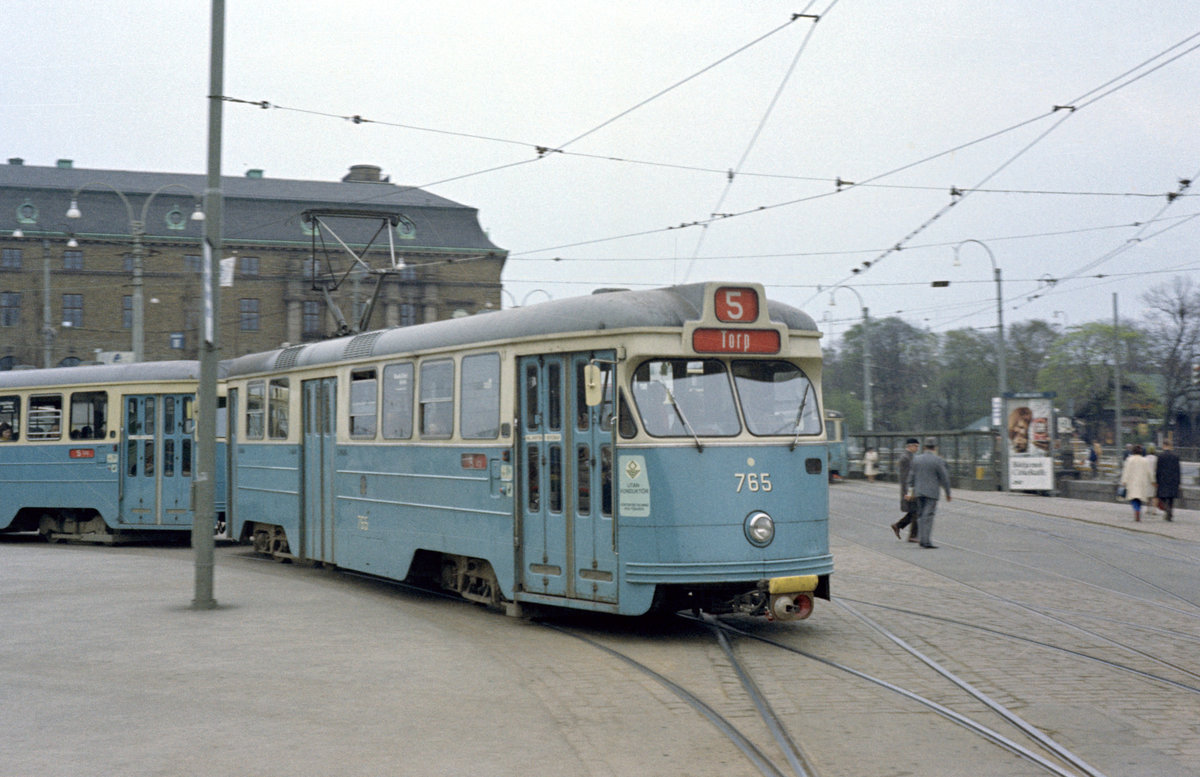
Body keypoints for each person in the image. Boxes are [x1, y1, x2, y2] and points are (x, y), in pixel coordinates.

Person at [905, 437, 952, 549]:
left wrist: (909, 491)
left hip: (919, 492)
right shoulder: (938, 460)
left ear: (924, 447)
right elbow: (944, 477)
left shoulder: (916, 459)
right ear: (935, 448)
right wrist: (948, 492)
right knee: (928, 516)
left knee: (921, 515)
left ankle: (922, 538)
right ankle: (926, 541)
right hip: (932, 492)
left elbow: (911, 477)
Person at [891, 438, 921, 541]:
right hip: (909, 489)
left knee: (914, 511)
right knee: (916, 511)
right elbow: (906, 477)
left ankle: (898, 525)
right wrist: (909, 492)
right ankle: (912, 536)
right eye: (916, 446)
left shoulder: (910, 457)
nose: (917, 448)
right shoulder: (906, 458)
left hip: (911, 488)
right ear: (910, 446)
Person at [1119, 444, 1155, 522]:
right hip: (1142, 482)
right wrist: (1153, 481)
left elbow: (1126, 471)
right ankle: (1138, 510)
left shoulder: (1129, 459)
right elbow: (1149, 472)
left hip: (1132, 482)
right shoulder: (1144, 460)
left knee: (1133, 498)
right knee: (1139, 498)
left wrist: (1124, 481)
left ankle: (1136, 510)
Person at [1155, 440, 1182, 522]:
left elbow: (1158, 470)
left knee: (1161, 497)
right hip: (1173, 480)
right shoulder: (1175, 456)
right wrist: (1178, 481)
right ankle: (1169, 511)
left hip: (1163, 479)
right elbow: (1178, 470)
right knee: (1171, 498)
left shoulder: (1160, 456)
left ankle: (1167, 509)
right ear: (1170, 446)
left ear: (1164, 445)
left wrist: (1157, 480)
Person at [1143, 446, 1159, 516]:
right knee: (1154, 495)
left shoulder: (1144, 459)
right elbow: (1157, 468)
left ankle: (1147, 508)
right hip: (1154, 478)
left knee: (1147, 495)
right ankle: (1154, 510)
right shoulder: (1156, 459)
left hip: (1146, 478)